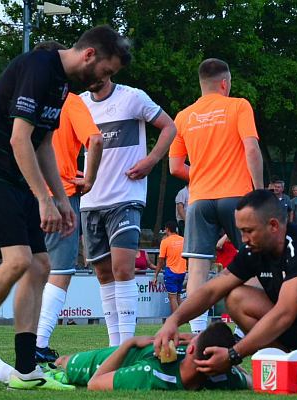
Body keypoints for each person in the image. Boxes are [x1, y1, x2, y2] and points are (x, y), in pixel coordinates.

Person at [0, 25, 132, 391]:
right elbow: (19, 138)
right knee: (18, 261)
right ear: (90, 55)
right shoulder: (39, 67)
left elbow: (43, 142)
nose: (104, 80)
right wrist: (44, 200)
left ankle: (26, 368)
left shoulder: (62, 84)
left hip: (16, 179)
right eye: (107, 71)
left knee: (41, 264)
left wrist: (62, 200)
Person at [154, 190, 297, 394]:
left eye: (248, 231)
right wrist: (173, 320)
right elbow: (214, 289)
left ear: (273, 226)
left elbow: (284, 313)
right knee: (235, 298)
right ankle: (287, 369)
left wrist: (234, 354)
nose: (243, 239)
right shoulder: (255, 250)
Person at [80, 50, 176, 348]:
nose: (91, 78)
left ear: (108, 70)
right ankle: (114, 346)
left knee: (124, 269)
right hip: (90, 201)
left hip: (125, 197)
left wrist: (150, 161)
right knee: (103, 273)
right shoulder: (79, 104)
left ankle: (127, 344)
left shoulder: (133, 97)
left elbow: (170, 127)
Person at [168, 58, 263, 334]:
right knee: (256, 262)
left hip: (199, 200)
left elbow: (175, 167)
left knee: (197, 270)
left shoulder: (184, 116)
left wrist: (199, 175)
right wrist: (258, 191)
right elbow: (252, 149)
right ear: (225, 83)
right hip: (237, 197)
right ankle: (249, 330)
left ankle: (197, 335)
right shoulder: (239, 105)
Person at [31, 40, 105, 364]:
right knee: (60, 270)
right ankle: (39, 342)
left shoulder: (25, 98)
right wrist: (88, 179)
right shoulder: (70, 101)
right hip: (60, 198)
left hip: (25, 194)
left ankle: (26, 342)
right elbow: (96, 138)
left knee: (31, 269)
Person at [0, 323, 250, 391]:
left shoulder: (153, 375)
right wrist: (182, 337)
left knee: (66, 368)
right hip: (142, 350)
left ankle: (9, 374)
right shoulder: (222, 372)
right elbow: (250, 380)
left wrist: (129, 343)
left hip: (123, 357)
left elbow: (97, 383)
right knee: (63, 362)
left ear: (192, 351)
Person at [152, 221, 187, 313]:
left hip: (171, 272)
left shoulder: (165, 242)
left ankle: (175, 320)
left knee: (172, 297)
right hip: (182, 271)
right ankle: (186, 317)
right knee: (178, 296)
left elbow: (161, 260)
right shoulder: (183, 240)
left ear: (167, 229)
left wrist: (155, 275)